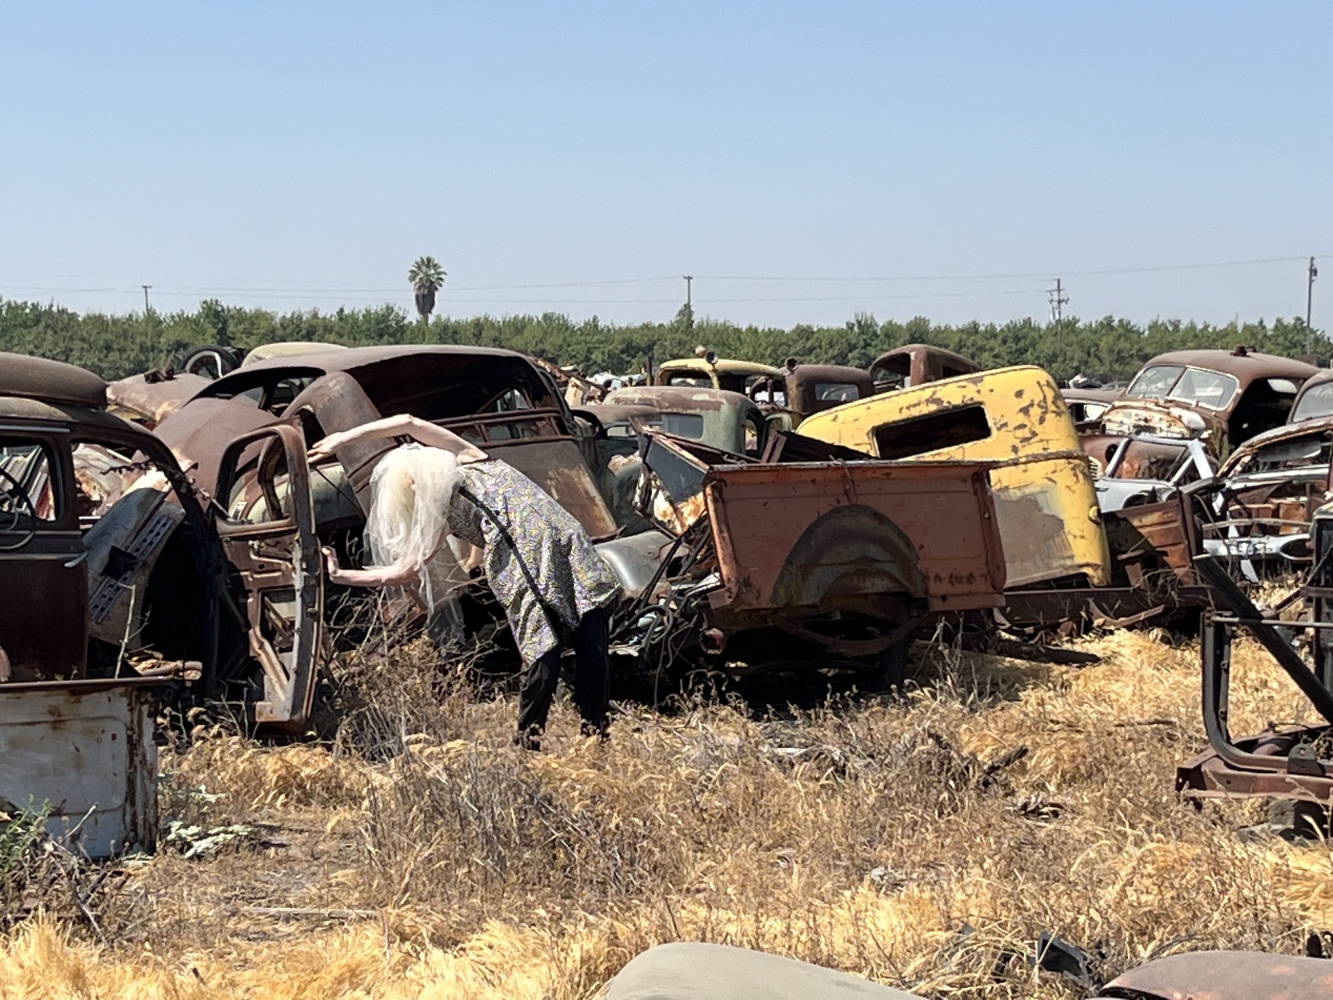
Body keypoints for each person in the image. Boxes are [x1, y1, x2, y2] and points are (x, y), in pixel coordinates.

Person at [309, 415, 621, 748]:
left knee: (594, 650)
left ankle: (596, 739)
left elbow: (408, 422)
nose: (421, 481)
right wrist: (341, 575)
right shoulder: (441, 518)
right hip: (521, 575)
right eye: (412, 485)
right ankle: (527, 747)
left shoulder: (469, 459)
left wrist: (343, 438)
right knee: (544, 659)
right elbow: (405, 569)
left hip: (566, 553)